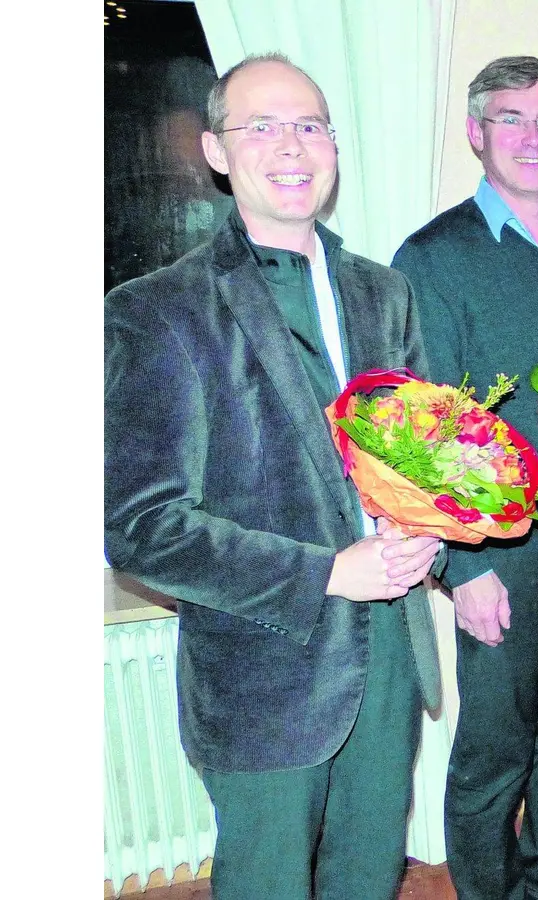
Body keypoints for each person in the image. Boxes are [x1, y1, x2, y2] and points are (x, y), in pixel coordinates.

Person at [104, 54, 444, 900]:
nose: (291, 146)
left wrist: (438, 527)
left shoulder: (385, 294)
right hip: (265, 675)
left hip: (394, 654)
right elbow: (140, 527)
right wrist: (328, 571)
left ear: (334, 146)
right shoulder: (157, 310)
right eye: (261, 126)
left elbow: (425, 459)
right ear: (217, 151)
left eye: (310, 125)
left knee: (369, 878)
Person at [390, 55, 538, 900]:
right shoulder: (432, 258)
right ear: (475, 133)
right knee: (496, 746)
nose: (532, 136)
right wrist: (464, 565)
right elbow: (425, 431)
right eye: (511, 119)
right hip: (502, 552)